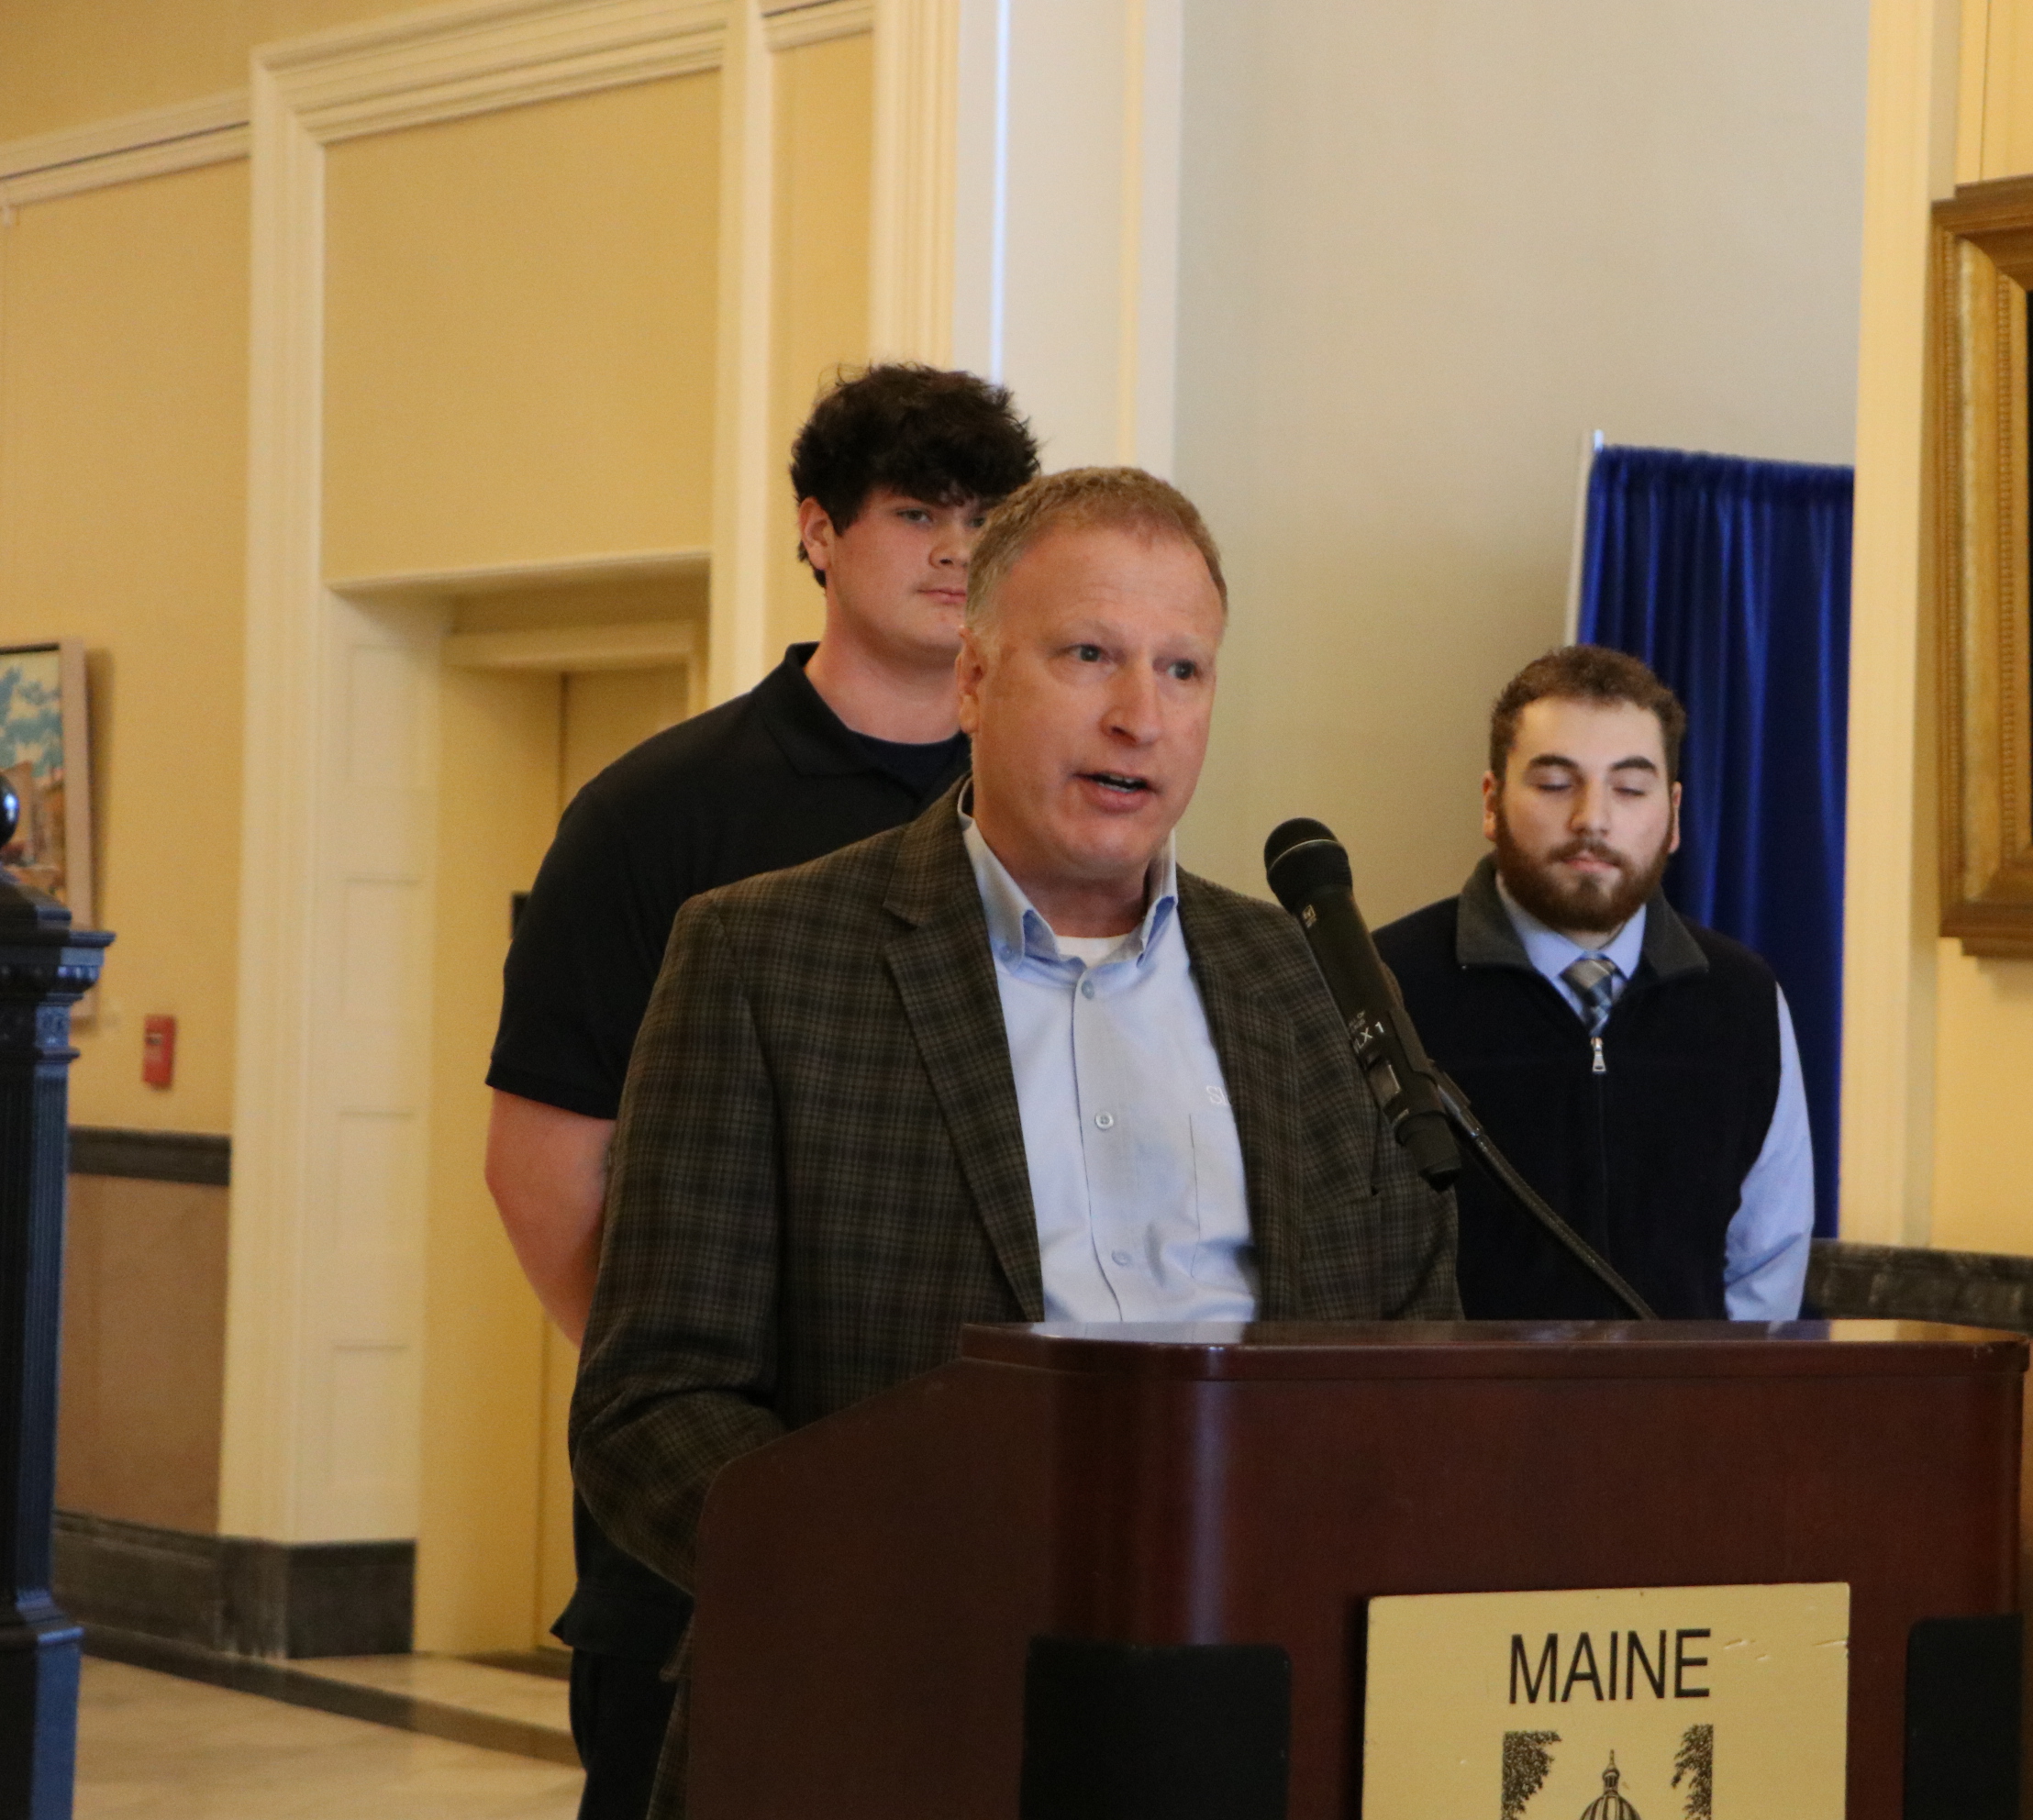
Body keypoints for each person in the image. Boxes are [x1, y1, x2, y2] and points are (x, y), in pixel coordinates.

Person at [569, 467, 1460, 1814]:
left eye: (1183, 669)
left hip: (1266, 1706)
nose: (1139, 714)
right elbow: (649, 1405)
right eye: (1088, 654)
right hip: (891, 1709)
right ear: (975, 680)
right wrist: (907, 1581)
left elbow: (1416, 1351)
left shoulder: (1310, 981)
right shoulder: (763, 958)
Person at [483, 362, 1038, 1819]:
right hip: (711, 1523)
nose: (955, 553)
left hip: (997, 1511)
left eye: (985, 520)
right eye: (915, 513)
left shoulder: (1050, 811)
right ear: (817, 530)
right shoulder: (658, 813)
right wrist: (687, 1398)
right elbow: (542, 1167)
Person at [1372, 646, 1814, 1320]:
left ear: (1672, 815)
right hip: (1450, 1388)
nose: (1592, 819)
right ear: (1491, 803)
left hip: (1681, 1389)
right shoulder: (1384, 986)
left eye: (1629, 789)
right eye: (1555, 784)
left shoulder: (1741, 998)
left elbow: (1766, 1262)